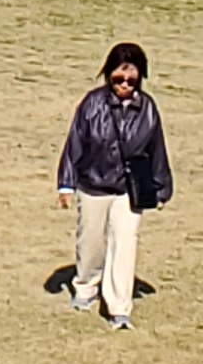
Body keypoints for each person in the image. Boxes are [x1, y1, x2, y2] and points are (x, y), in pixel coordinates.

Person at [55, 41, 175, 327]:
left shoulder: (148, 109)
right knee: (90, 243)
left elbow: (157, 149)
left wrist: (162, 189)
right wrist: (66, 185)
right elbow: (75, 143)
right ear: (109, 74)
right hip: (93, 185)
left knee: (125, 244)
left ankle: (119, 307)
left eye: (131, 78)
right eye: (119, 77)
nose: (125, 83)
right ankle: (86, 287)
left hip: (128, 189)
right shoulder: (91, 104)